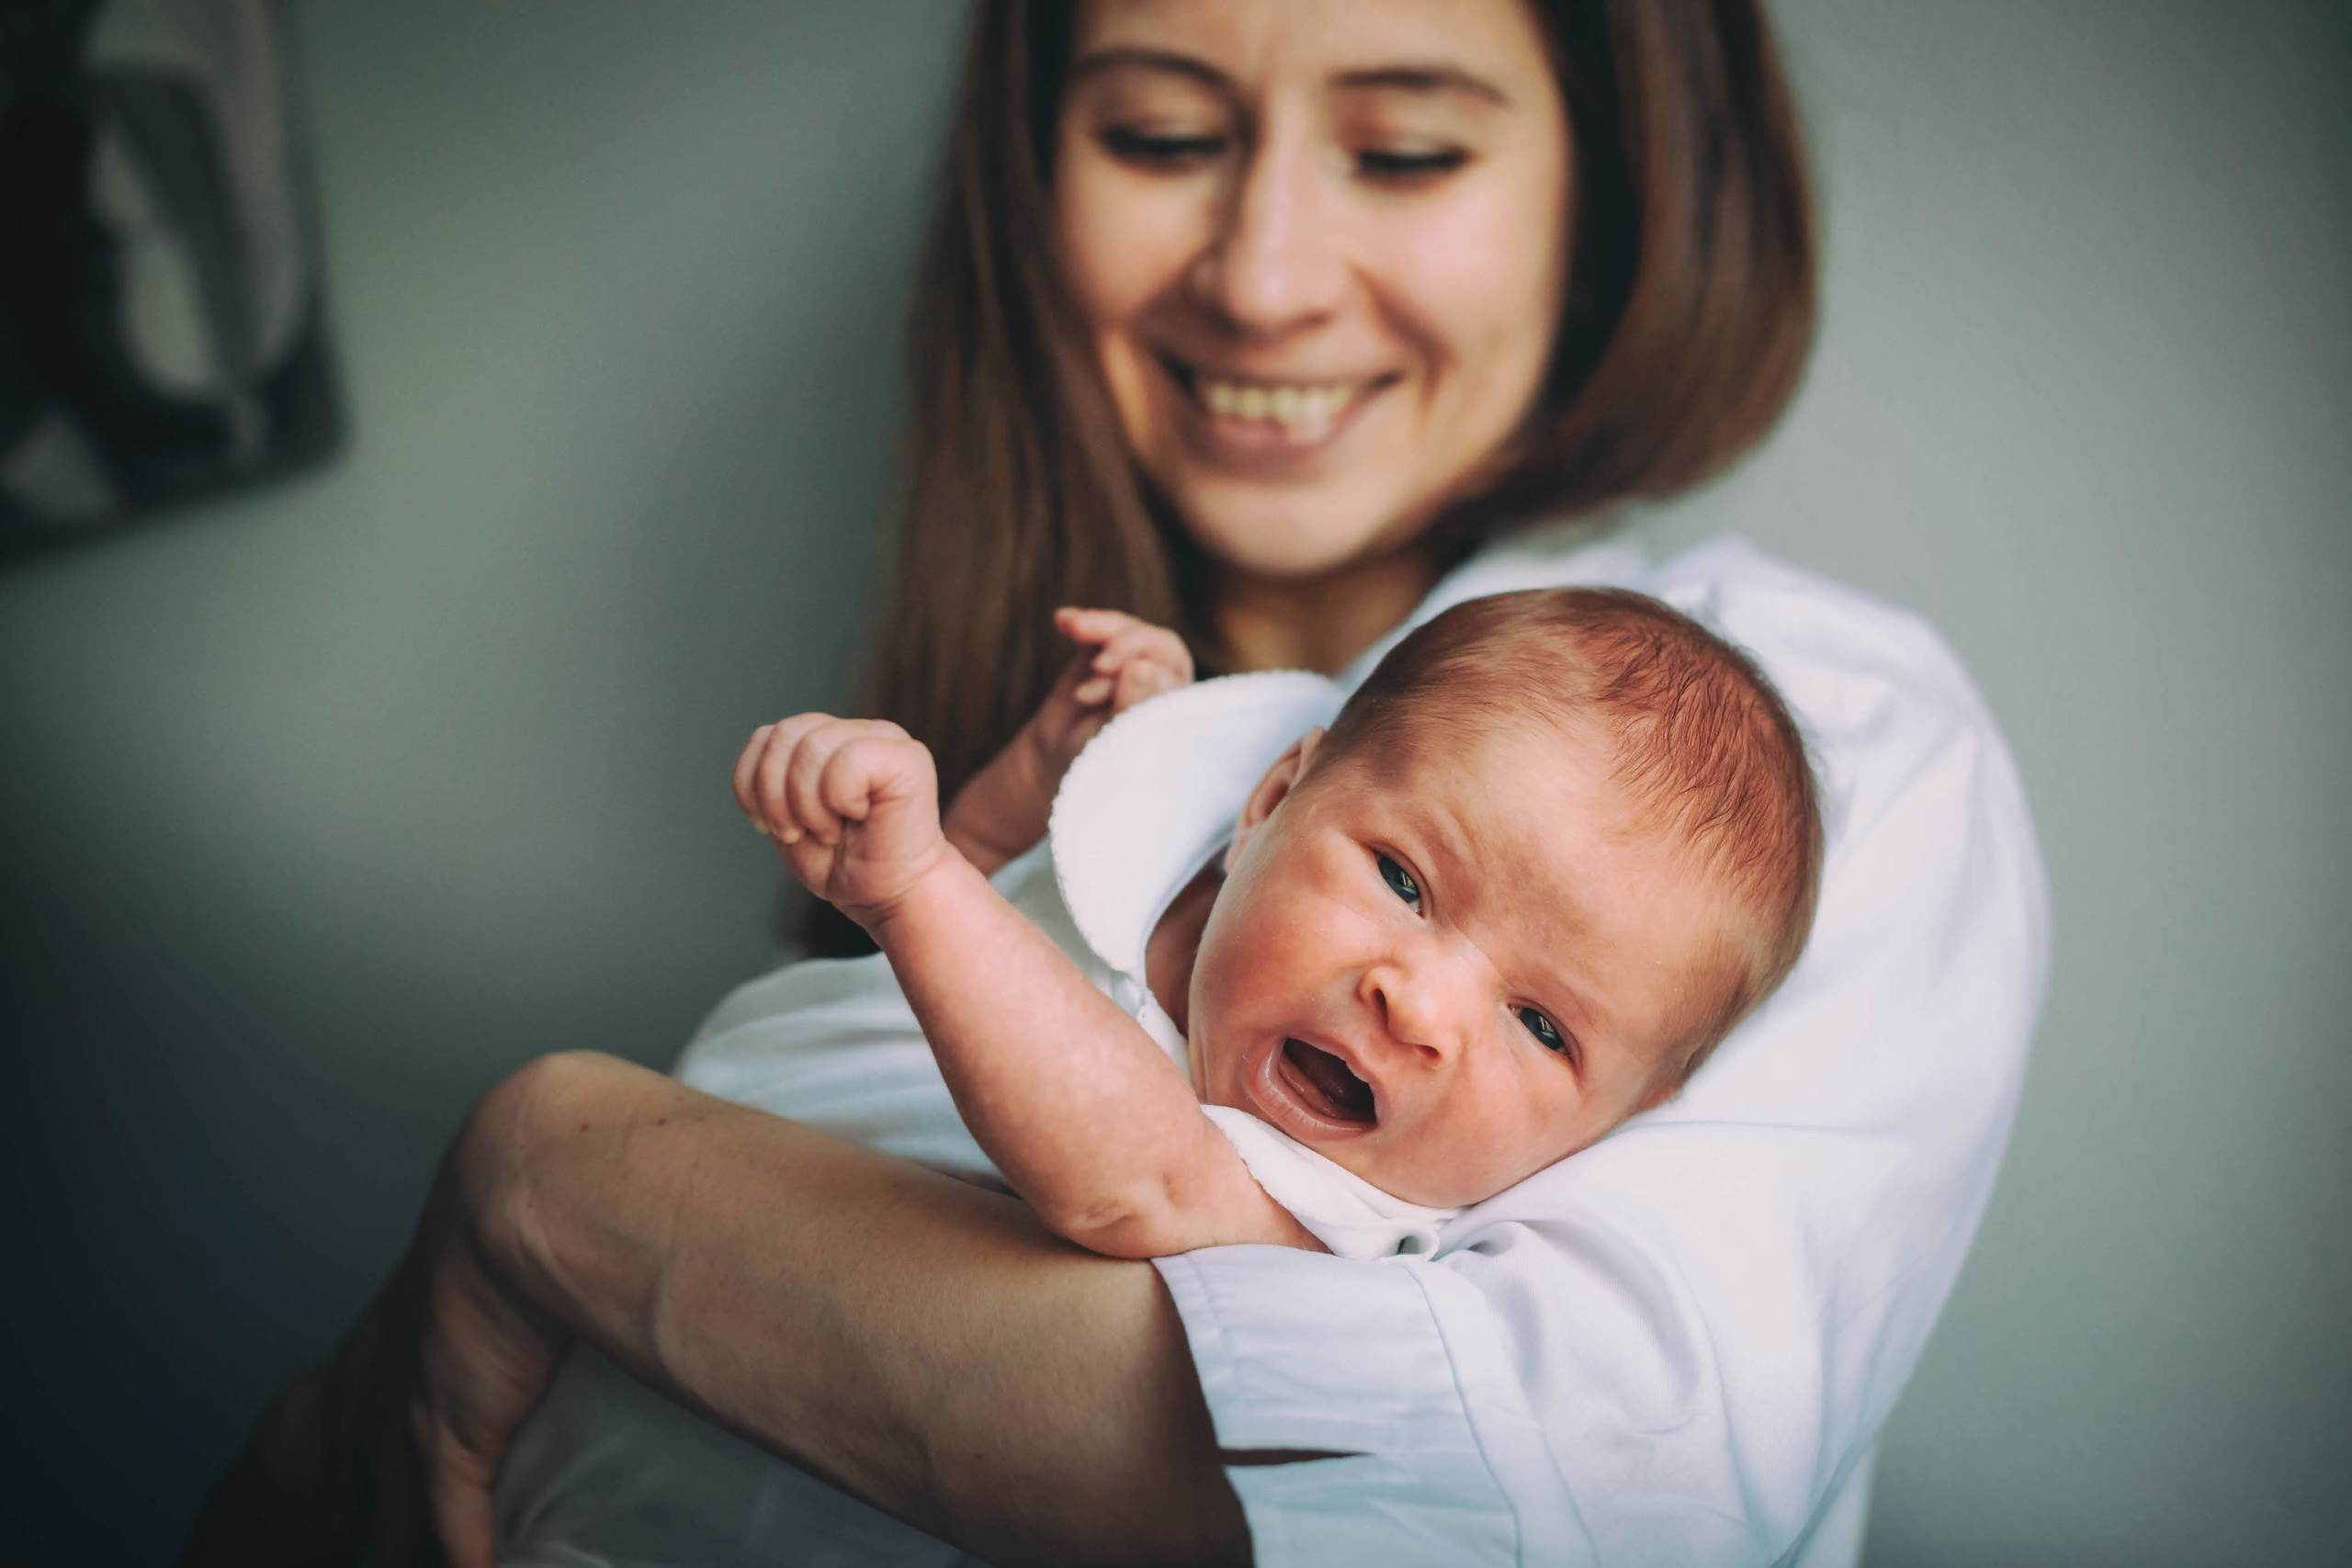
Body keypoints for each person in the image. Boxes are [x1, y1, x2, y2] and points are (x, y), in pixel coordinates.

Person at [184, 2, 2046, 1564]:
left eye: (1404, 154)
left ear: (1613, 198)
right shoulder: (1116, 739)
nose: (1260, 278)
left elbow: (1528, 1499)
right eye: (1162, 135)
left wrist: (554, 1180)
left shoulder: (1813, 736)